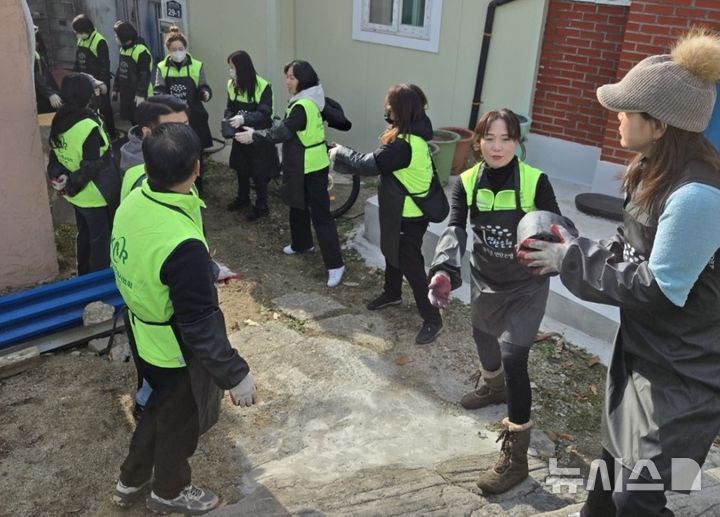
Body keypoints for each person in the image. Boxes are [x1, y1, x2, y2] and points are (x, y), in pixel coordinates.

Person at [518, 30, 720, 516]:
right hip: (644, 348)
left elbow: (659, 286)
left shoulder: (698, 196)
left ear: (659, 125)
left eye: (627, 112)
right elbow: (629, 250)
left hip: (688, 367)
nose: (618, 121)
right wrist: (573, 244)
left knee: (640, 495)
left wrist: (568, 260)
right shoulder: (651, 168)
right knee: (609, 477)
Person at [110, 123, 255, 515]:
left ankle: (131, 479)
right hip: (175, 349)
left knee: (158, 409)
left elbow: (151, 256)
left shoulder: (135, 195)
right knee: (179, 424)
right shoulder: (181, 244)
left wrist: (202, 268)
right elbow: (199, 324)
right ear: (197, 168)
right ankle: (169, 492)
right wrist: (235, 374)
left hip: (143, 331)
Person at [427, 108, 562, 493]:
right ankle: (493, 386)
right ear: (478, 142)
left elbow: (557, 228)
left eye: (506, 138)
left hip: (526, 287)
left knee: (513, 357)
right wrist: (443, 270)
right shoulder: (467, 181)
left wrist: (549, 248)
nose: (497, 146)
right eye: (489, 138)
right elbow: (455, 227)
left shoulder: (536, 181)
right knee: (483, 337)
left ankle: (516, 459)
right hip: (486, 279)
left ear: (517, 142)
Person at [330, 84, 443, 344]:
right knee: (393, 250)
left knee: (411, 265)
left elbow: (368, 164)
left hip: (410, 215)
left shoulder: (403, 145)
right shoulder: (409, 135)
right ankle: (392, 293)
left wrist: (340, 152)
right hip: (401, 212)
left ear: (400, 110)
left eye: (389, 105)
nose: (386, 108)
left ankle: (433, 319)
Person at [234, 60, 345, 287]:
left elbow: (283, 132)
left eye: (292, 77)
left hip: (311, 166)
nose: (287, 81)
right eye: (287, 76)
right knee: (297, 204)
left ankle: (336, 265)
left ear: (303, 80)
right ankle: (301, 243)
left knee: (321, 216)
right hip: (299, 164)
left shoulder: (303, 106)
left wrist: (254, 135)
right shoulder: (307, 99)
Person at [47, 73, 120, 275]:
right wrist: (70, 185)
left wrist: (60, 179)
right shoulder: (88, 125)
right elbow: (91, 165)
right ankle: (96, 281)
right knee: (100, 239)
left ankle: (83, 274)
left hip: (76, 195)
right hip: (93, 193)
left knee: (84, 234)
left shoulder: (60, 119)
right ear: (86, 96)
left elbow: (56, 154)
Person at [154, 27, 212, 195]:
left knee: (196, 153)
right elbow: (159, 89)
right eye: (174, 50)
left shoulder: (197, 65)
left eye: (180, 49)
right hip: (173, 117)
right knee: (176, 151)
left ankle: (198, 185)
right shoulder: (161, 67)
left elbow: (204, 85)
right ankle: (177, 184)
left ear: (186, 49)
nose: (178, 52)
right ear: (168, 51)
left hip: (195, 117)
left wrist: (205, 93)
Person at [222, 50, 279, 221]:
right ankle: (243, 198)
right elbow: (230, 106)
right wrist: (228, 118)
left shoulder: (263, 86)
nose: (231, 71)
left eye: (233, 68)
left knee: (259, 172)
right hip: (240, 135)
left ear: (242, 68)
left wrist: (244, 118)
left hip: (258, 136)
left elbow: (265, 113)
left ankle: (262, 205)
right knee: (241, 167)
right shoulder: (232, 84)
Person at [120, 95, 189, 202]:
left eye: (186, 125)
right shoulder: (146, 180)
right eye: (173, 128)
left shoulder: (170, 151)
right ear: (147, 133)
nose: (185, 134)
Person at [72, 14, 115, 138]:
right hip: (84, 81)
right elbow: (77, 60)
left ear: (87, 30)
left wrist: (101, 85)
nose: (77, 35)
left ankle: (111, 135)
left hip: (99, 82)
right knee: (89, 109)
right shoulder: (80, 39)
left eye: (78, 32)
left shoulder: (99, 41)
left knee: (105, 109)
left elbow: (104, 66)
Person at [112, 21, 152, 124]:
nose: (116, 38)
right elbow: (120, 69)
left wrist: (141, 94)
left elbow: (144, 74)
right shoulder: (123, 49)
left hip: (140, 94)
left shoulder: (140, 51)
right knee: (132, 119)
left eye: (117, 36)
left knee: (143, 121)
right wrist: (115, 88)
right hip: (127, 93)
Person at [33, 25, 61, 114]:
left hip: (47, 90)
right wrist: (50, 93)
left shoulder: (37, 54)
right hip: (43, 96)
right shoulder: (32, 56)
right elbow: (37, 76)